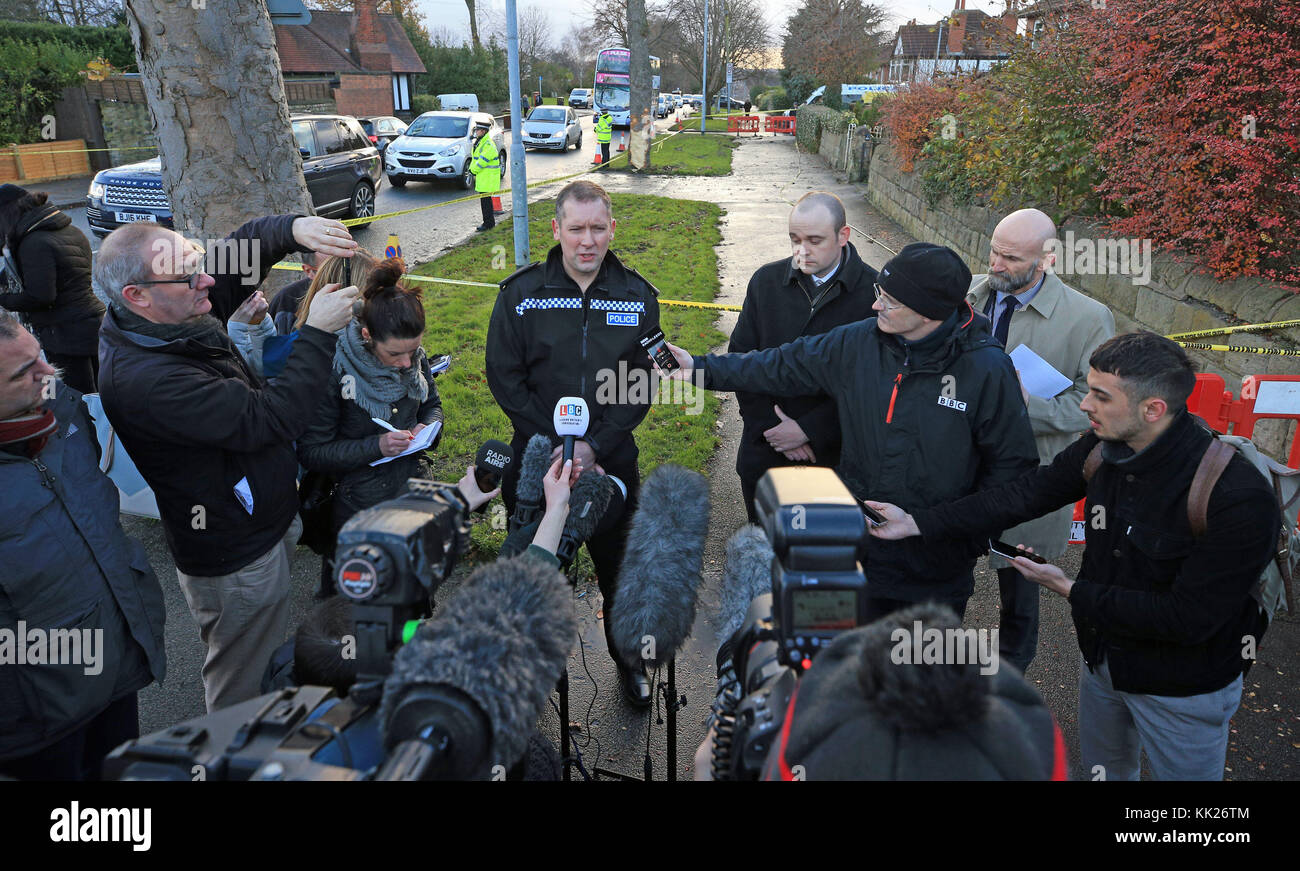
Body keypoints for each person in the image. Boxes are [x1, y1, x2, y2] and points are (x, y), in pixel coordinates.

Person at [866, 332, 1281, 781]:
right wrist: (918, 522)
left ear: (1153, 409)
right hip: (1103, 663)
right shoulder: (1102, 449)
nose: (1085, 404)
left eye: (1101, 396)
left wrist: (1067, 587)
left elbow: (1189, 618)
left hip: (1181, 687)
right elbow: (1026, 494)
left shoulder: (1236, 495)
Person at [664, 242, 1039, 621]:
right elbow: (779, 364)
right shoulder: (860, 342)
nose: (876, 306)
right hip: (851, 554)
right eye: (880, 294)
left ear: (931, 312)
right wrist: (698, 368)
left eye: (890, 301)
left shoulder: (986, 369)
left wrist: (951, 536)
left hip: (933, 574)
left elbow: (1013, 470)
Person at [93, 215, 359, 712]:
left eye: (196, 262)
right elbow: (273, 417)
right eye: (191, 275)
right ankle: (233, 758)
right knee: (242, 681)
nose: (209, 281)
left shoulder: (168, 311)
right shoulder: (147, 380)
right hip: (235, 555)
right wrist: (318, 334)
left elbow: (234, 257)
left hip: (259, 522)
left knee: (261, 651)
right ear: (136, 295)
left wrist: (293, 229)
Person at [486, 179, 661, 707]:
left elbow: (643, 382)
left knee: (620, 573)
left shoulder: (638, 295)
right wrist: (559, 443)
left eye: (598, 228)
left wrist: (594, 446)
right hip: (538, 463)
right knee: (535, 577)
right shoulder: (520, 295)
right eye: (577, 229)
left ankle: (630, 664)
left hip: (610, 463)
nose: (588, 241)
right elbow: (504, 377)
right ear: (556, 229)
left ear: (612, 229)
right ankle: (522, 679)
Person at [0, 308, 166, 780]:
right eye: (23, 373)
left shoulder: (63, 407)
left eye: (40, 357)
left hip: (113, 665)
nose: (48, 374)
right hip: (37, 715)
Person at [968, 208, 1115, 674]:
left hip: (1029, 475)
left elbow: (1094, 405)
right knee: (942, 569)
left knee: (1019, 588)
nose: (994, 265)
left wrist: (1026, 407)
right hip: (957, 465)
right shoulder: (967, 294)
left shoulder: (1089, 318)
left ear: (1047, 259)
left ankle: (1010, 681)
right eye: (994, 250)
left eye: (1010, 257)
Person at [298, 256, 444, 598]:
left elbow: (432, 405)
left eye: (415, 351)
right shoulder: (332, 368)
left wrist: (428, 426)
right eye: (396, 355)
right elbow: (312, 451)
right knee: (356, 614)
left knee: (412, 599)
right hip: (357, 513)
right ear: (367, 335)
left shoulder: (410, 351)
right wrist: (377, 446)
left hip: (412, 496)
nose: (408, 363)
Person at [729, 191, 878, 523]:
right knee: (766, 561)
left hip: (836, 464)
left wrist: (811, 430)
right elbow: (740, 360)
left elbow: (874, 384)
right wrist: (772, 427)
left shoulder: (876, 294)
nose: (802, 250)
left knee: (827, 566)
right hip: (763, 457)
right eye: (795, 239)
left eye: (815, 240)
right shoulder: (766, 282)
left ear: (844, 235)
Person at [0, 184, 103, 394]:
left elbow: (40, 296)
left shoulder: (34, 242)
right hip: (92, 323)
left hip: (64, 333)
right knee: (101, 393)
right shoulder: (68, 230)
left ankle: (83, 428)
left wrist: (3, 299)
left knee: (74, 396)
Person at [470, 120, 501, 232]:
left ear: (483, 131)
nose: (476, 132)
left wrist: (472, 170)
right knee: (485, 202)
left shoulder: (487, 144)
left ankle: (488, 224)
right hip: (484, 178)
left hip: (487, 178)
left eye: (477, 130)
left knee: (486, 203)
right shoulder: (481, 142)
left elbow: (482, 161)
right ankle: (489, 223)